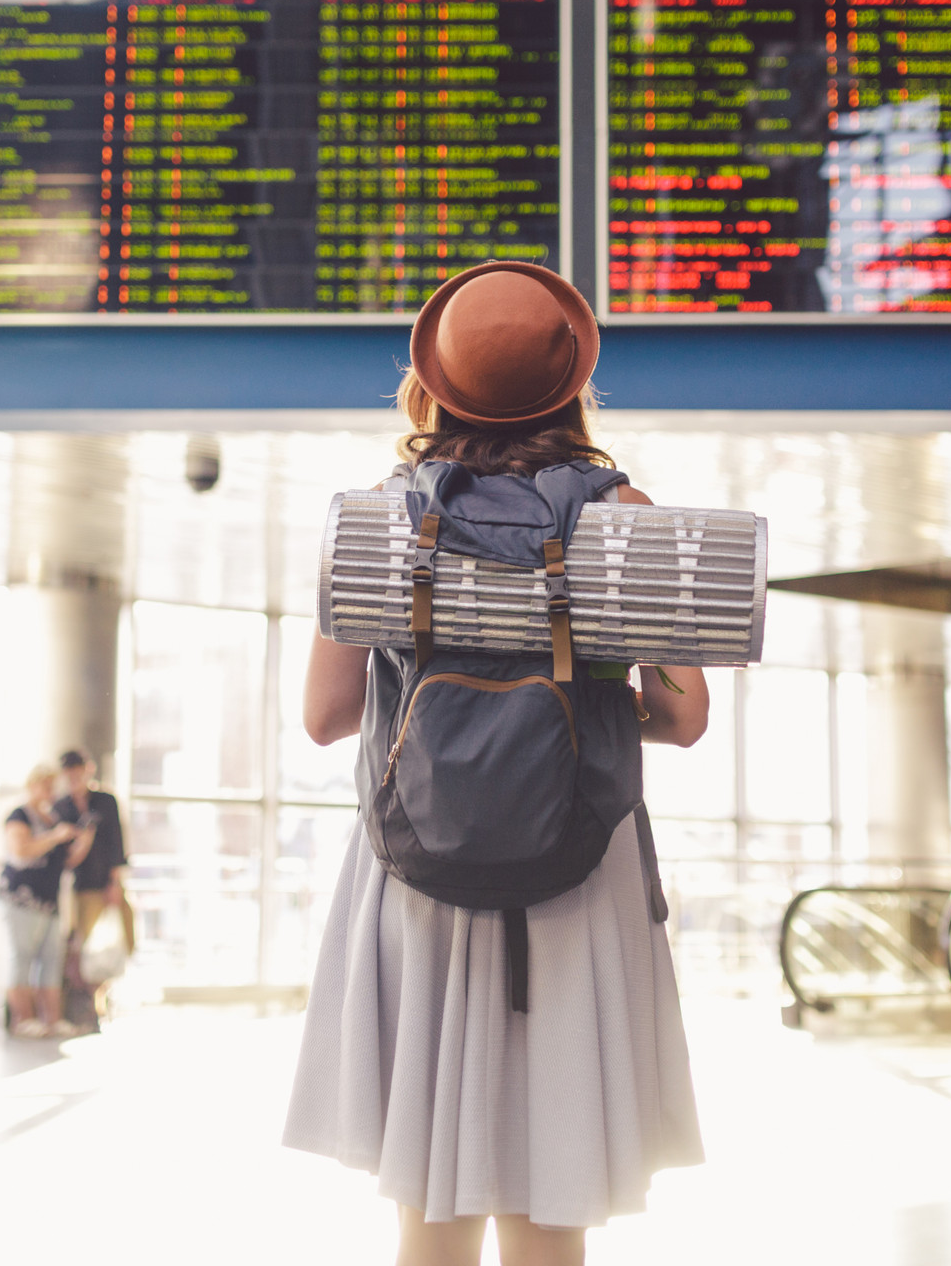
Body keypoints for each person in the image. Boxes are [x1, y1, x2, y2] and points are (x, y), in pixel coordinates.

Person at [284, 261, 708, 1266]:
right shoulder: (624, 510)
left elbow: (325, 714)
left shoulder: (378, 516)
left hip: (417, 868)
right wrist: (584, 705)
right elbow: (685, 715)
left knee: (430, 1208)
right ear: (570, 384)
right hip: (579, 862)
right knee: (552, 1194)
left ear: (436, 380)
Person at [1, 762, 81, 1037]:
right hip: (22, 900)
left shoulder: (52, 819)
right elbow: (21, 852)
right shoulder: (19, 815)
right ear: (32, 785)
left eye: (53, 787)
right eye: (45, 786)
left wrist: (84, 836)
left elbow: (68, 860)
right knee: (21, 959)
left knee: (51, 960)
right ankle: (22, 1019)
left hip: (50, 901)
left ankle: (52, 1020)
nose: (50, 792)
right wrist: (54, 837)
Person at [58, 747, 131, 1031]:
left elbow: (117, 844)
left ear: (88, 770)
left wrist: (114, 883)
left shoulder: (105, 801)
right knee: (84, 948)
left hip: (107, 884)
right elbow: (65, 858)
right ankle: (90, 1006)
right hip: (79, 888)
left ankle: (101, 1000)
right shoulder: (62, 807)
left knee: (117, 943)